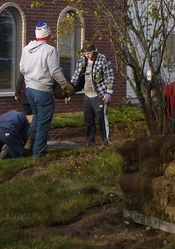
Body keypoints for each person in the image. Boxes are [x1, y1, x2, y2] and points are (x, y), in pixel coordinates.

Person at [19, 21, 74, 157]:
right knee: (44, 122)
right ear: (48, 35)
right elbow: (55, 71)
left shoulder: (26, 49)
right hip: (43, 90)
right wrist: (65, 84)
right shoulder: (50, 50)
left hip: (29, 89)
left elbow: (21, 68)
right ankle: (38, 154)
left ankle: (28, 143)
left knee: (37, 116)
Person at [71, 42, 115, 147]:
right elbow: (76, 76)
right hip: (87, 94)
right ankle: (90, 142)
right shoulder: (82, 61)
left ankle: (106, 141)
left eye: (89, 52)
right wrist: (70, 91)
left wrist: (109, 92)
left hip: (99, 94)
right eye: (85, 52)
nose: (87, 55)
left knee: (101, 118)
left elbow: (110, 75)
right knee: (88, 120)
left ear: (94, 51)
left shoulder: (102, 59)